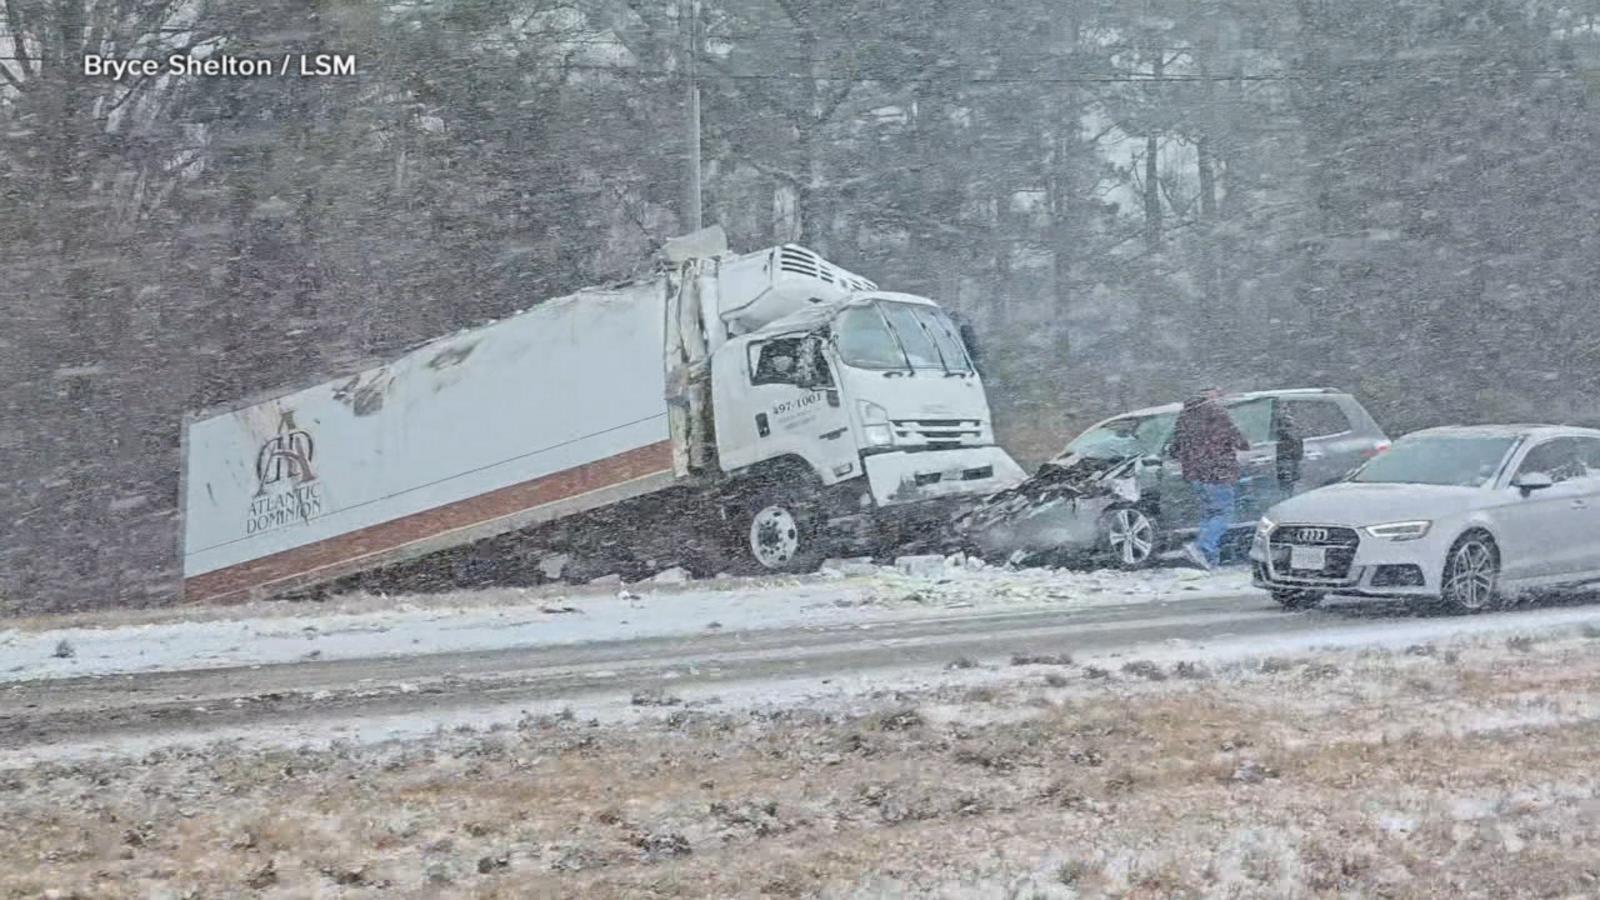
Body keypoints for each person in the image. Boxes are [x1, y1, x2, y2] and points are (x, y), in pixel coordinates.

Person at [1170, 387, 1249, 570]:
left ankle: (1208, 560)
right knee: (1224, 513)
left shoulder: (1184, 416)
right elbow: (1239, 440)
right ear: (1209, 396)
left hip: (1195, 474)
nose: (1219, 398)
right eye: (1217, 394)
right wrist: (1243, 443)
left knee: (1209, 514)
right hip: (1218, 472)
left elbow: (1175, 447)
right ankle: (1202, 547)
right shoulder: (1216, 412)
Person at [1274, 405, 1303, 499]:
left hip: (1286, 458)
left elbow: (1295, 441)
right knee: (1288, 484)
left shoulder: (1286, 424)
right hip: (1286, 458)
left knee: (1287, 484)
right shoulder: (1288, 423)